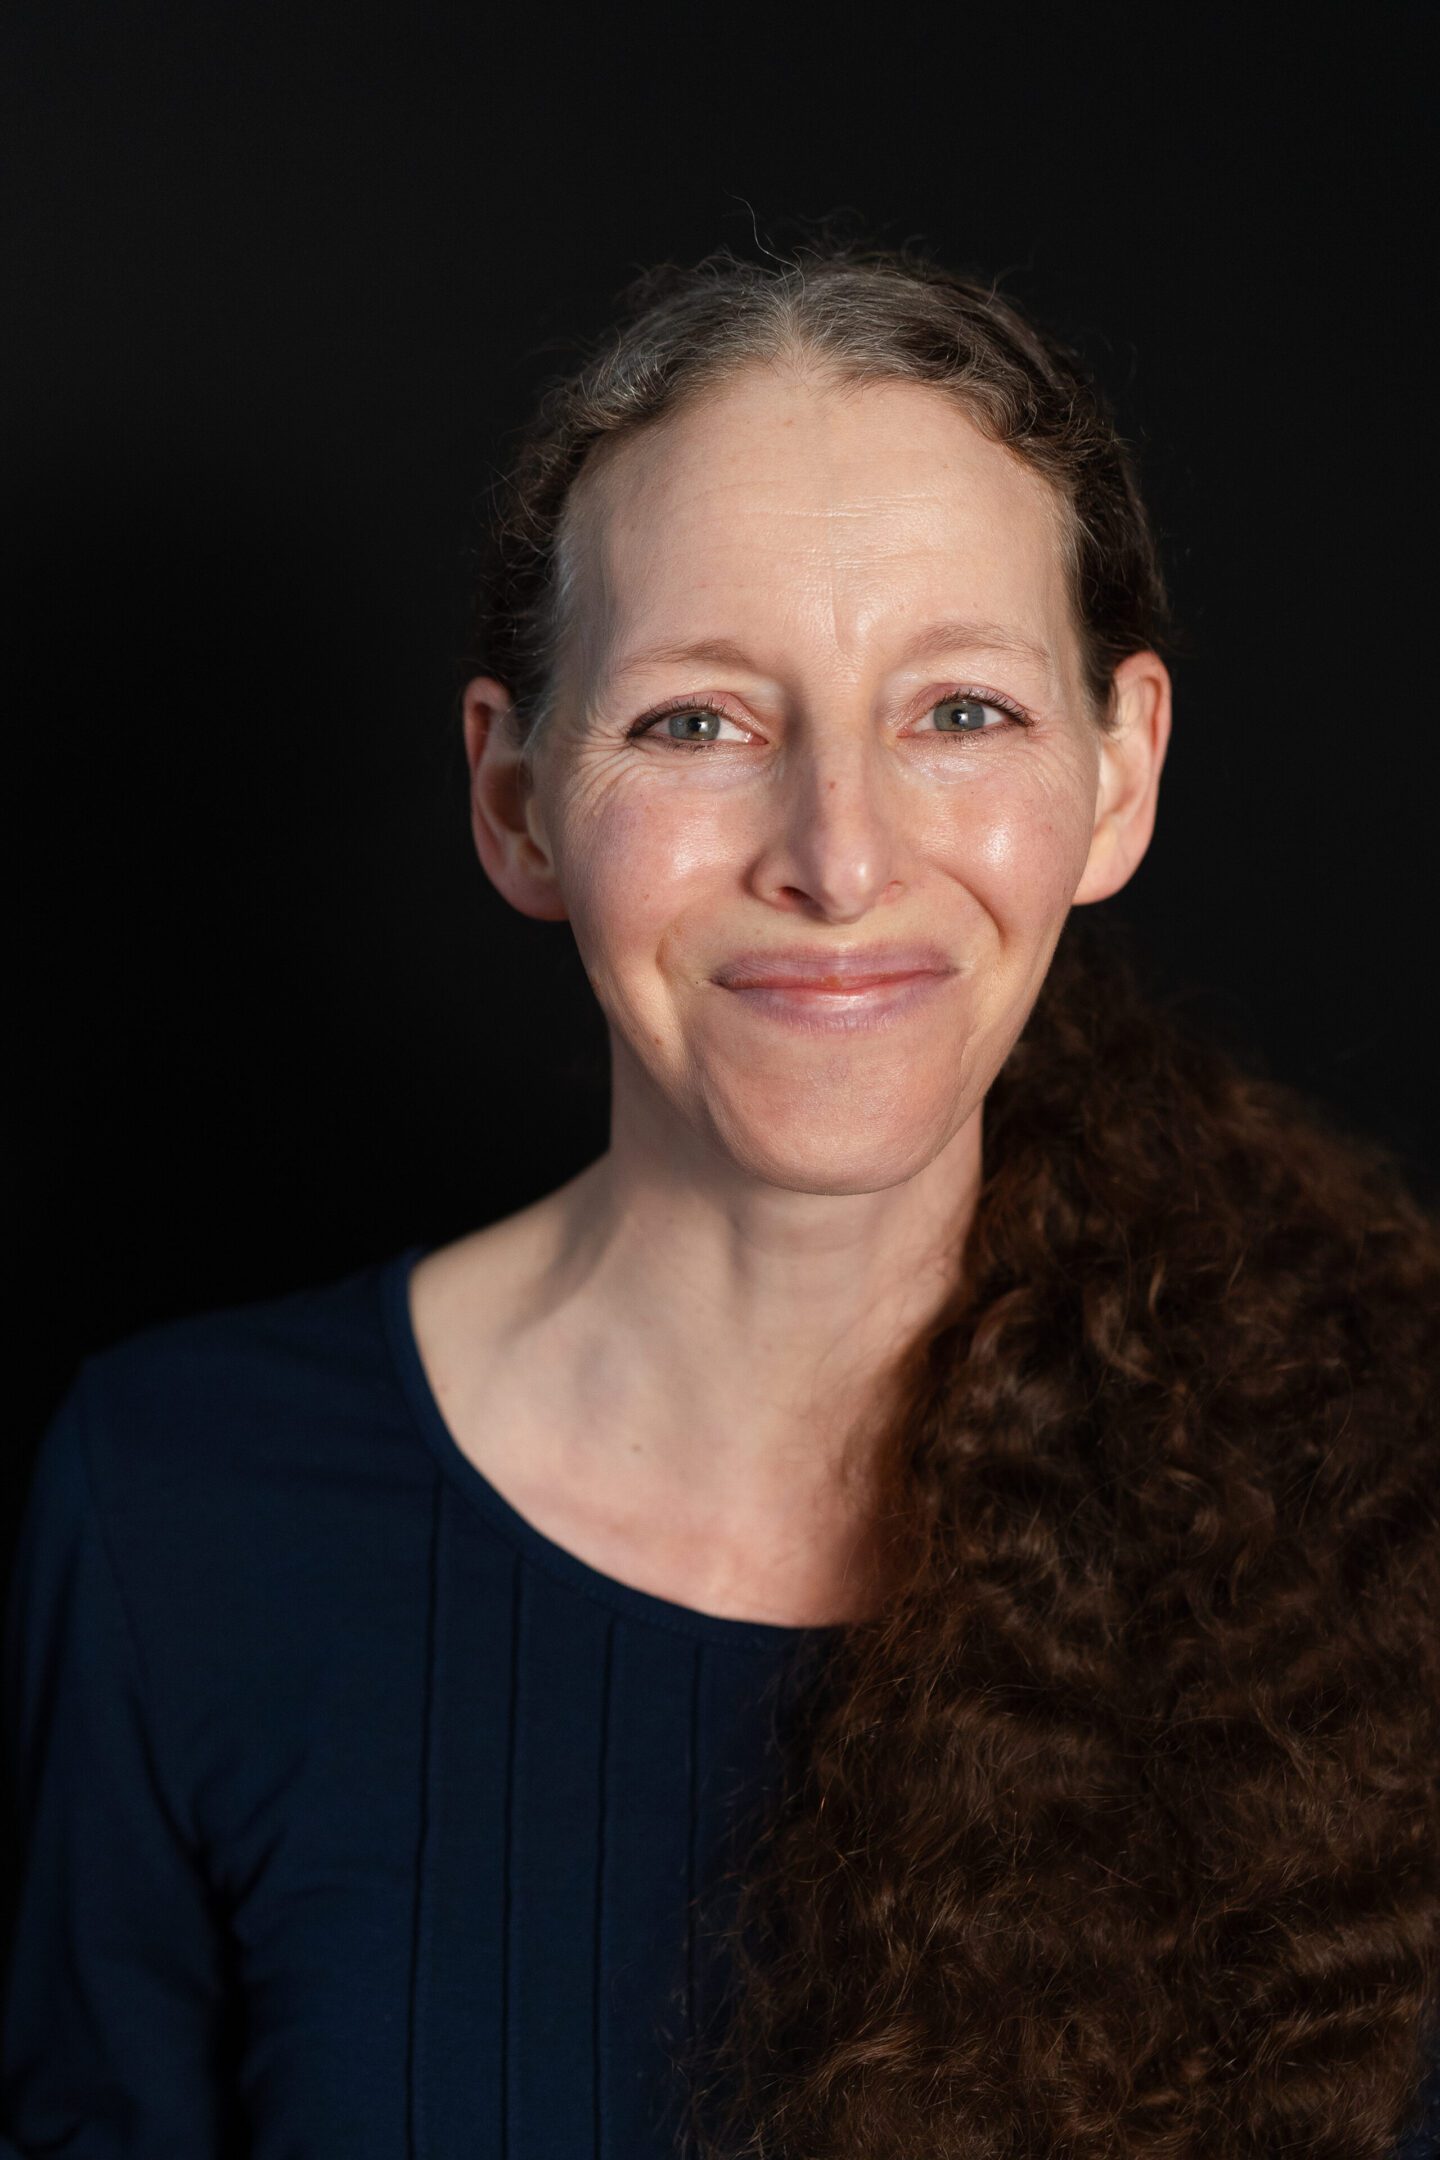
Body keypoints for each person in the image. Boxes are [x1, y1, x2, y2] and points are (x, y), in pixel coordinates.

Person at [3, 234, 1438, 2159]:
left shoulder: (1393, 1486)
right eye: (699, 722)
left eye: (961, 714)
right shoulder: (174, 1507)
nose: (840, 859)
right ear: (517, 803)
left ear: (1120, 774)